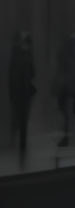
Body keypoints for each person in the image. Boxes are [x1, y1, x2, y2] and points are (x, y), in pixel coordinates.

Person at [8, 32, 36, 163]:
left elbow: (10, 74)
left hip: (16, 91)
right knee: (23, 117)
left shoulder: (15, 55)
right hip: (25, 92)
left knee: (16, 114)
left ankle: (14, 139)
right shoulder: (27, 55)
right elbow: (33, 73)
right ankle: (21, 144)